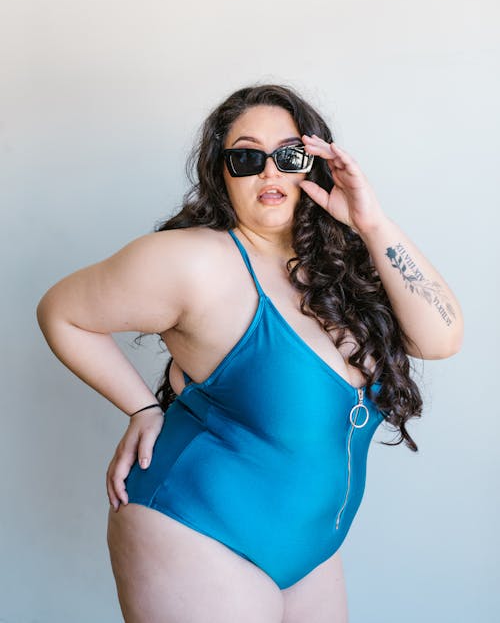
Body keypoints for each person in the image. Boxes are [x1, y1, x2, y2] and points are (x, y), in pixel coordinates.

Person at [37, 84, 463, 623]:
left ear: (316, 164)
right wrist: (142, 408)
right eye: (246, 158)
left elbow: (441, 338)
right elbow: (61, 311)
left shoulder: (338, 271)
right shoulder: (195, 262)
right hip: (196, 530)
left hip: (310, 555)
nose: (270, 173)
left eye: (289, 155)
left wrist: (371, 222)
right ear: (221, 172)